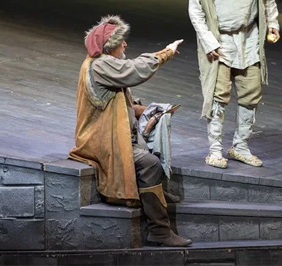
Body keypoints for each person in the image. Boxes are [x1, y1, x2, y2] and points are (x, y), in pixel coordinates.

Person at [69, 15, 191, 247]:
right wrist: (166, 52)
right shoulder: (100, 65)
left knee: (151, 147)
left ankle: (156, 193)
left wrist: (148, 111)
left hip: (115, 135)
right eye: (121, 41)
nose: (125, 44)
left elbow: (116, 103)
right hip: (102, 141)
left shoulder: (103, 63)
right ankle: (159, 230)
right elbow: (135, 69)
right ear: (111, 46)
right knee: (149, 163)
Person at [188, 0, 280, 169]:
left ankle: (240, 147)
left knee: (251, 95)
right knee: (217, 97)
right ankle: (215, 151)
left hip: (249, 39)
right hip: (220, 42)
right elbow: (196, 12)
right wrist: (210, 42)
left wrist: (272, 23)